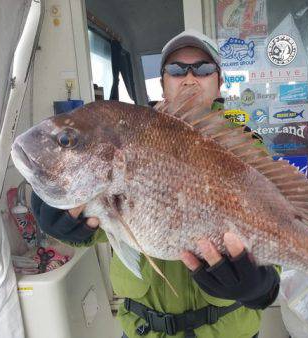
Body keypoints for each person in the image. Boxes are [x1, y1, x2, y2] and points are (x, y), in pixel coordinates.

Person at [31, 29, 280, 338]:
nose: (189, 78)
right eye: (176, 70)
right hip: (145, 330)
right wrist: (64, 221)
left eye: (202, 68)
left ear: (219, 82)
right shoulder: (133, 138)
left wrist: (263, 285)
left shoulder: (247, 150)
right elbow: (103, 221)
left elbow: (276, 226)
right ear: (163, 83)